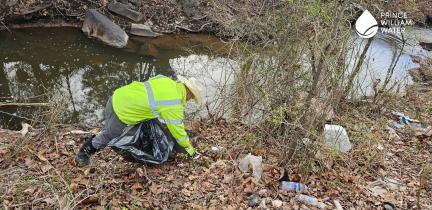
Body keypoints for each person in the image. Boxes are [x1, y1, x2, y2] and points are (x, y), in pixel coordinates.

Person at [75, 74, 203, 166]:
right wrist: (190, 151)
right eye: (191, 98)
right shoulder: (174, 103)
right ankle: (82, 155)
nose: (189, 100)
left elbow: (152, 97)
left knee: (143, 128)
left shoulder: (165, 80)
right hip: (121, 110)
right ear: (189, 93)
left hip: (119, 96)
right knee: (109, 136)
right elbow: (178, 132)